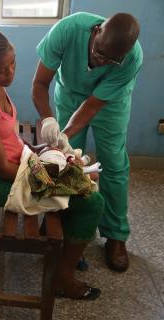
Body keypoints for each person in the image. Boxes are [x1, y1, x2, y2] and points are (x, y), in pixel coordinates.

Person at [0, 26, 105, 299]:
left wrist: (35, 148)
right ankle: (62, 277)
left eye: (12, 63)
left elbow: (7, 135)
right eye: (2, 69)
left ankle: (59, 242)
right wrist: (57, 180)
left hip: (16, 162)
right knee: (91, 201)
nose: (10, 72)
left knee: (70, 163)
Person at [32, 12, 142, 272]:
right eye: (99, 53)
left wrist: (65, 134)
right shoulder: (68, 29)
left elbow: (92, 105)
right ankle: (69, 234)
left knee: (114, 165)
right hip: (69, 93)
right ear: (96, 31)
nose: (102, 63)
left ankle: (115, 236)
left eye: (111, 61)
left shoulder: (131, 58)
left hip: (109, 103)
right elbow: (39, 82)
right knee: (67, 162)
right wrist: (48, 120)